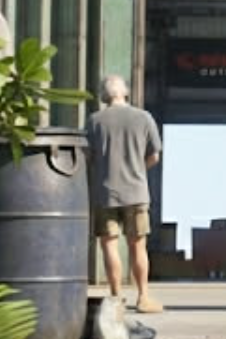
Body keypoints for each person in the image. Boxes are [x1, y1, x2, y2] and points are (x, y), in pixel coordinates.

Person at [87, 75, 164, 314]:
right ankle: (143, 297)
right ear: (126, 92)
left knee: (109, 245)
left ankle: (115, 298)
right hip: (136, 193)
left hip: (105, 193)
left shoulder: (94, 121)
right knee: (138, 246)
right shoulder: (144, 117)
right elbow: (154, 155)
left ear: (103, 95)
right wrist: (138, 169)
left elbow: (88, 156)